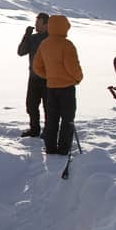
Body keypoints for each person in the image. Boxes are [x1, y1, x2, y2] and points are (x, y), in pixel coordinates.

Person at [33, 15, 83, 155]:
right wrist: (78, 78)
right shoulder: (67, 45)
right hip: (66, 88)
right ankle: (63, 149)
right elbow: (72, 67)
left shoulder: (44, 44)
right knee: (67, 119)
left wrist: (49, 76)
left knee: (51, 119)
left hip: (51, 87)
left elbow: (36, 66)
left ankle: (50, 148)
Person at [16, 12, 49, 138]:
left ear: (46, 24)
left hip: (47, 78)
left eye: (38, 23)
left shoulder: (51, 38)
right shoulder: (33, 38)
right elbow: (21, 52)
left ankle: (48, 130)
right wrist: (26, 35)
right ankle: (34, 129)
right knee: (31, 105)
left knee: (48, 106)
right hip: (34, 77)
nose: (35, 25)